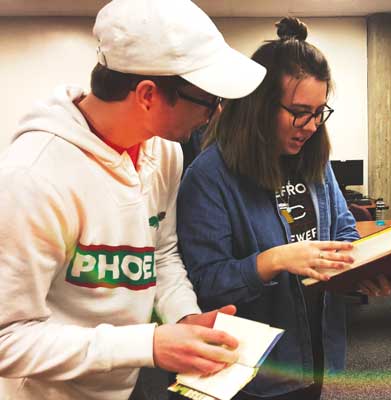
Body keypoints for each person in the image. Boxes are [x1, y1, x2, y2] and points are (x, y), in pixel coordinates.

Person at [0, 0, 266, 399]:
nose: (214, 114)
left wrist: (185, 316)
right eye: (210, 101)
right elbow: (8, 341)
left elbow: (160, 254)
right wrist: (149, 344)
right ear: (147, 95)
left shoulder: (165, 153)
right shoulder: (33, 177)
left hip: (127, 380)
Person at [177, 17, 391, 400]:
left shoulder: (314, 161)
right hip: (251, 370)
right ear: (258, 107)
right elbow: (205, 284)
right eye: (300, 111)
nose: (312, 126)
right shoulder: (210, 175)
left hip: (313, 350)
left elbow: (344, 233)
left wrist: (366, 269)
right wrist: (273, 260)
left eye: (319, 112)